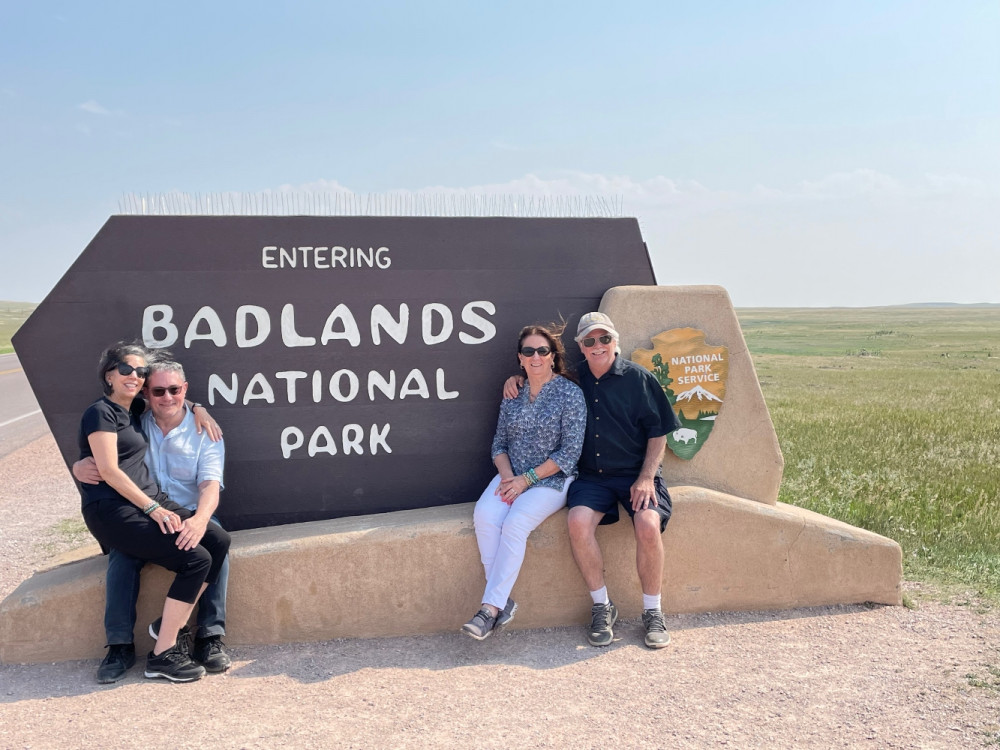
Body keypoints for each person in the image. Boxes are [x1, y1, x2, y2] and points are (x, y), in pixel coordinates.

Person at [504, 312, 679, 648]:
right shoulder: (570, 379)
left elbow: (659, 434)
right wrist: (517, 378)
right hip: (592, 477)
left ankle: (653, 612)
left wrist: (645, 478)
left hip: (635, 475)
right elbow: (538, 374)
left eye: (604, 339)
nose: (598, 346)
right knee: (578, 522)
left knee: (647, 523)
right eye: (589, 341)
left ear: (615, 341)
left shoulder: (639, 379)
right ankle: (602, 605)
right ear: (581, 347)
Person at [77, 342, 230, 682]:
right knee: (125, 555)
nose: (166, 397)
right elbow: (106, 460)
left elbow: (209, 486)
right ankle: (121, 646)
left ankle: (208, 636)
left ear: (184, 390)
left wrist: (199, 519)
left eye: (174, 390)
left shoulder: (204, 431)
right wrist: (79, 466)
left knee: (217, 539)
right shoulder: (134, 418)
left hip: (186, 510)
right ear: (146, 392)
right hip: (139, 509)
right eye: (157, 390)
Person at [462, 324, 586, 640]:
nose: (536, 356)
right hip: (511, 475)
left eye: (542, 351)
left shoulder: (570, 394)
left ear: (553, 356)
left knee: (515, 524)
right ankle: (502, 602)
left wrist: (525, 481)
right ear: (520, 358)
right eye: (529, 351)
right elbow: (498, 444)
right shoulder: (513, 393)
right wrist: (507, 479)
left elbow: (568, 453)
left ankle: (488, 609)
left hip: (550, 481)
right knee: (485, 516)